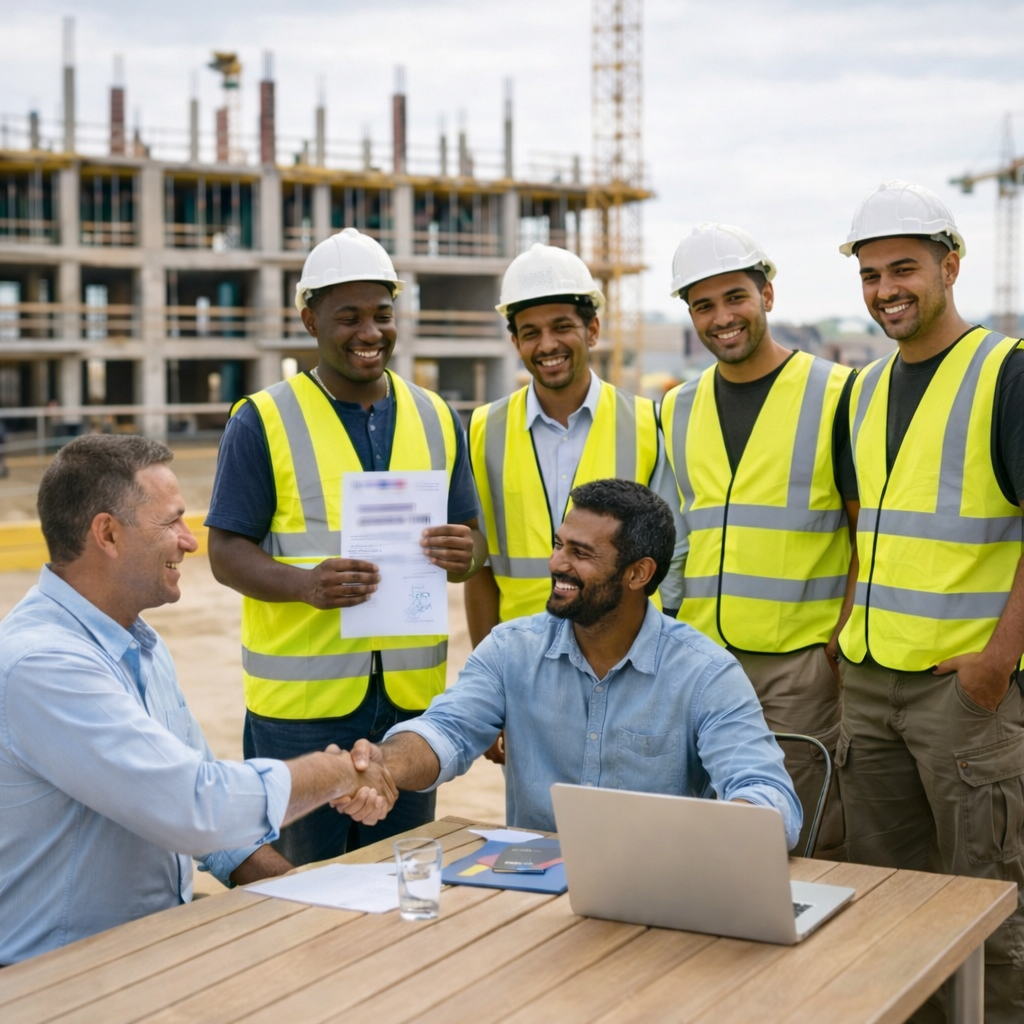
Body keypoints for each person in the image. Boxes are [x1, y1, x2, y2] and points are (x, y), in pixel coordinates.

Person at [0, 435, 396, 965]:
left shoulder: (138, 641)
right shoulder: (44, 665)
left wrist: (304, 894)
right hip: (61, 977)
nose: (190, 541)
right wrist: (338, 773)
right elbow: (196, 807)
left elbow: (215, 831)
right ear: (108, 534)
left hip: (149, 947)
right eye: (172, 522)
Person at [206, 228, 485, 867]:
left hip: (410, 708)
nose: (370, 332)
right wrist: (304, 584)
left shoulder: (438, 417)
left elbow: (471, 548)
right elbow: (225, 552)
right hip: (302, 710)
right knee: (305, 893)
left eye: (383, 315)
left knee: (402, 873)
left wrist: (458, 551)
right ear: (309, 319)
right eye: (348, 317)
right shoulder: (262, 419)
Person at [342, 479, 801, 844]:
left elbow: (769, 797)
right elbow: (447, 731)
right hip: (533, 893)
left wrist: (691, 838)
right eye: (560, 544)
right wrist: (384, 764)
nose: (556, 563)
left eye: (580, 553)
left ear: (638, 573)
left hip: (659, 888)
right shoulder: (510, 648)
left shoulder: (706, 673)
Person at [834, 180, 1024, 1023]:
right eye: (870, 275)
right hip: (871, 689)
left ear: (951, 265)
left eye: (903, 269)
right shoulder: (864, 390)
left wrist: (995, 664)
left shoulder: (1005, 374)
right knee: (889, 907)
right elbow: (863, 523)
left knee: (990, 906)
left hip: (963, 696)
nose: (885, 291)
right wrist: (846, 632)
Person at [659, 223, 857, 858]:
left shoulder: (839, 393)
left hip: (799, 663)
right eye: (703, 306)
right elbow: (681, 535)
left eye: (735, 297)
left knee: (799, 835)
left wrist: (839, 637)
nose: (722, 318)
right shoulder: (677, 407)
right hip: (700, 658)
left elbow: (865, 533)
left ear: (767, 295)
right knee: (702, 829)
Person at [466, 243, 686, 762]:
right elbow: (482, 572)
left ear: (592, 329)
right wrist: (489, 684)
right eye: (530, 332)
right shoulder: (482, 430)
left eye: (562, 326)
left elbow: (671, 566)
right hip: (525, 665)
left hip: (630, 663)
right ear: (514, 341)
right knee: (535, 826)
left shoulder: (648, 424)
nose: (548, 344)